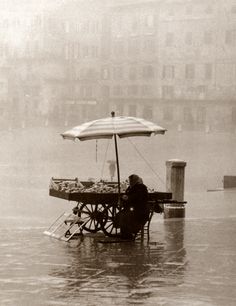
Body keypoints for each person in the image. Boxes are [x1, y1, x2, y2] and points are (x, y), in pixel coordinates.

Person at [119, 174, 150, 240]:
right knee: (121, 215)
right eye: (129, 181)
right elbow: (126, 194)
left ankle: (129, 234)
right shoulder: (130, 187)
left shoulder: (141, 187)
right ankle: (124, 233)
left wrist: (128, 198)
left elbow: (137, 197)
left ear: (134, 181)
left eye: (131, 181)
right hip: (132, 209)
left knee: (127, 216)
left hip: (140, 211)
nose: (130, 182)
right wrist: (123, 198)